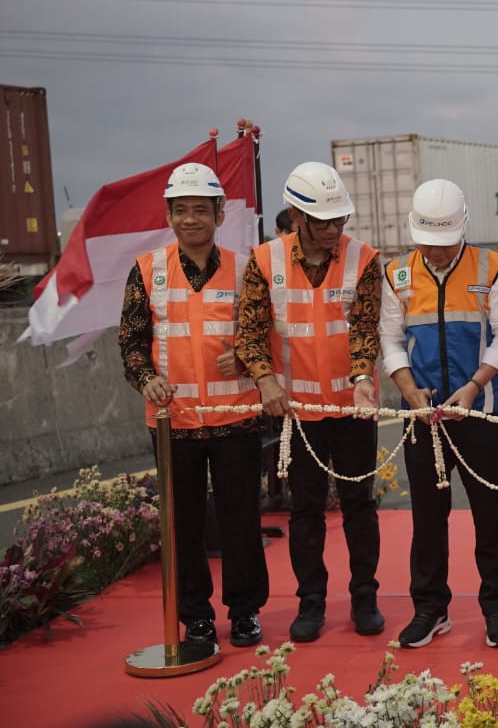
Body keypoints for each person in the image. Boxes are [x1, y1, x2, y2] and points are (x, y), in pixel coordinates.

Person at [117, 162, 268, 648]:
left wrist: (244, 357)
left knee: (241, 519)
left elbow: (267, 334)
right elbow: (131, 342)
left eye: (200, 210)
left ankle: (245, 611)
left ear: (220, 214)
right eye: (180, 210)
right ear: (169, 215)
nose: (190, 219)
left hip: (236, 419)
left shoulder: (247, 269)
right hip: (172, 421)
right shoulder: (146, 271)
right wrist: (146, 379)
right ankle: (195, 616)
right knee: (182, 525)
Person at [235, 161, 385, 643]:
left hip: (352, 406)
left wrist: (363, 377)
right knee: (306, 511)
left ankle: (365, 597)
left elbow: (365, 327)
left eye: (340, 219)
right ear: (297, 216)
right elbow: (249, 333)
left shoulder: (364, 259)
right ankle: (311, 603)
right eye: (323, 221)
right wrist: (264, 380)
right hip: (297, 412)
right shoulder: (264, 261)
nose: (334, 230)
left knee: (360, 505)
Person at [380, 180, 498, 649]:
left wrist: (474, 386)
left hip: (480, 412)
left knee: (491, 515)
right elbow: (391, 340)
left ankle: (497, 609)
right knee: (426, 516)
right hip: (420, 417)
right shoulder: (396, 273)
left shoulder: (493, 267)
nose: (437, 253)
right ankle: (429, 608)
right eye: (428, 244)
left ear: (464, 228)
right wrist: (407, 389)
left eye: (445, 244)